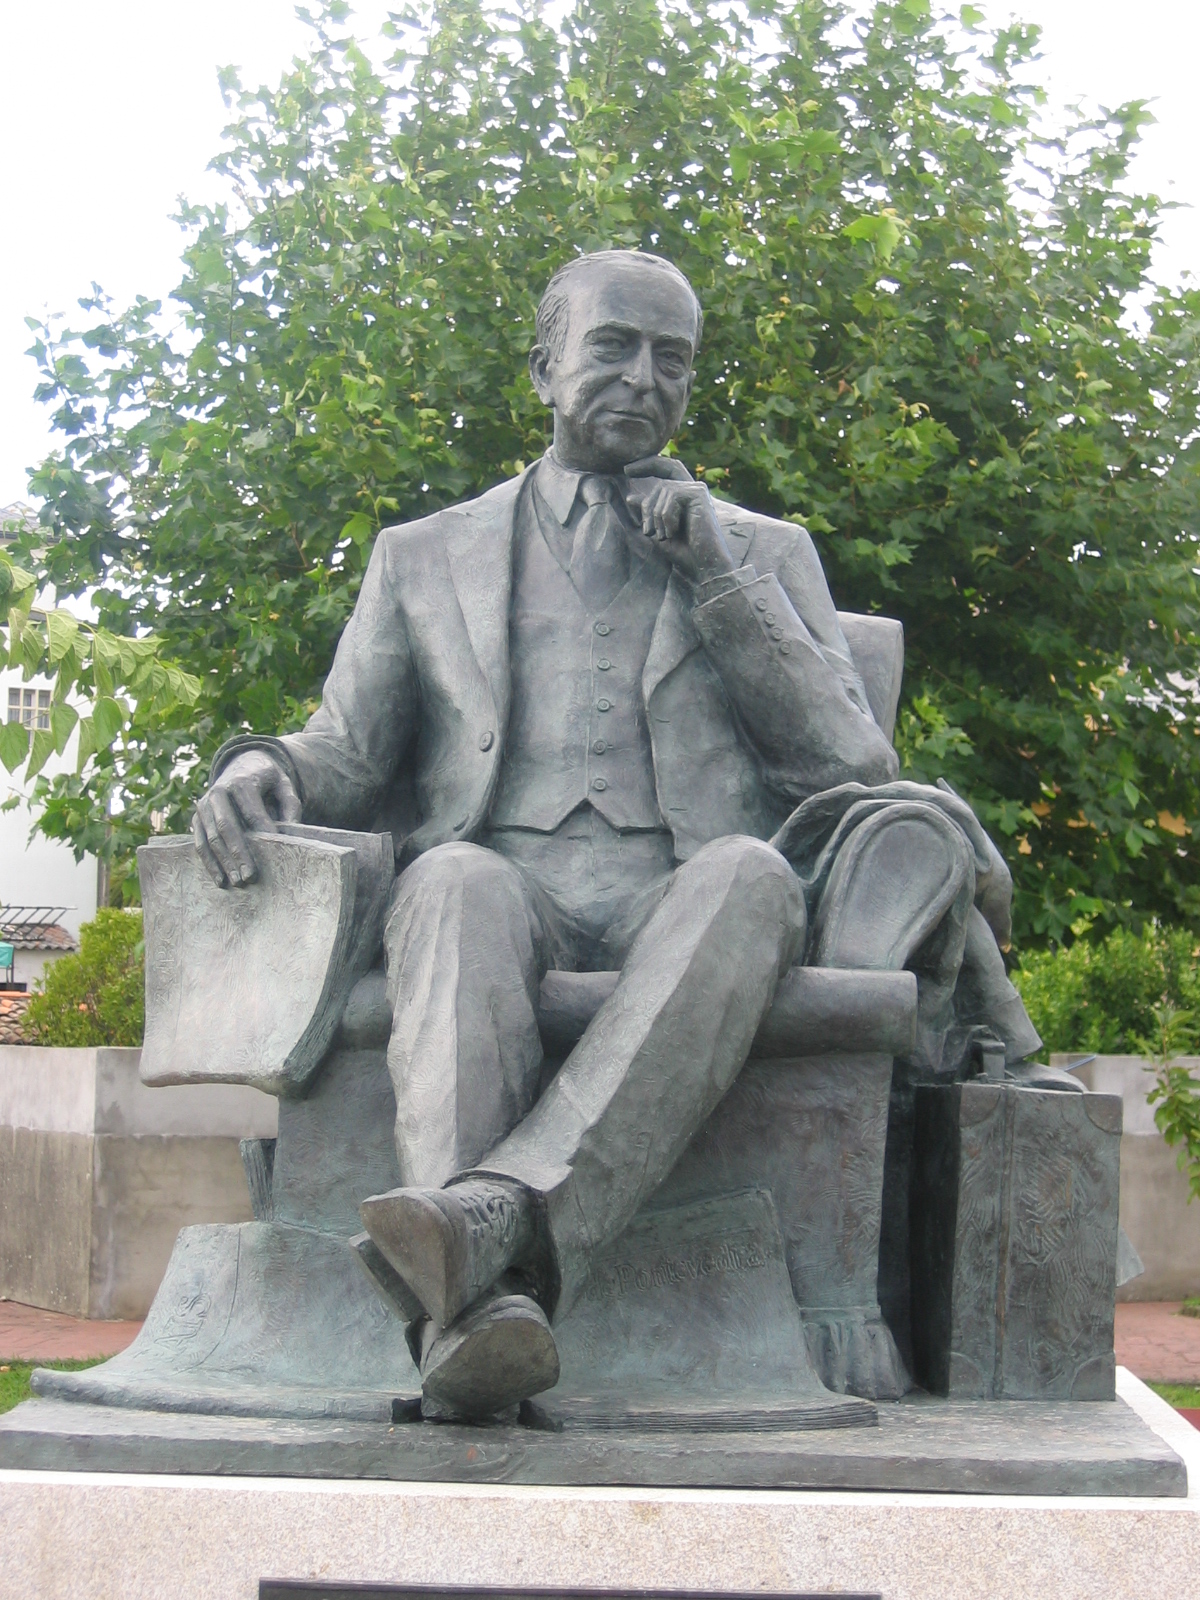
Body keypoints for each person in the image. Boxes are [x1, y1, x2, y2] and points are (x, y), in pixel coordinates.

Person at [193, 248, 1052, 1418]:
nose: (644, 377)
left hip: (681, 890)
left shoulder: (761, 549)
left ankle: (492, 1244)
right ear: (545, 365)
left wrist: (714, 579)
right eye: (614, 346)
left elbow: (848, 765)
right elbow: (346, 750)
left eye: (674, 359)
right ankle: (475, 1303)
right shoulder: (423, 553)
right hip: (506, 875)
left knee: (752, 874)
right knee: (448, 881)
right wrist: (259, 764)